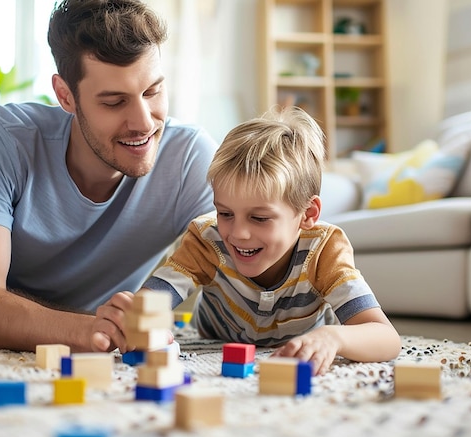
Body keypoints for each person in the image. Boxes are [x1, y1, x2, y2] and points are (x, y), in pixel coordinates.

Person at [0, 0, 217, 353]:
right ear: (65, 95)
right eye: (114, 102)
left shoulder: (189, 159)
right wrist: (88, 329)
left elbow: (250, 245)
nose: (143, 122)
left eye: (152, 91)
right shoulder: (3, 134)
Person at [99, 107, 402, 375]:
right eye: (226, 213)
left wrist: (334, 338)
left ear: (307, 214)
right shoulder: (208, 237)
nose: (237, 233)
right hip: (214, 336)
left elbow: (385, 337)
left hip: (299, 338)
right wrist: (137, 313)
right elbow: (154, 299)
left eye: (259, 218)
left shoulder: (324, 249)